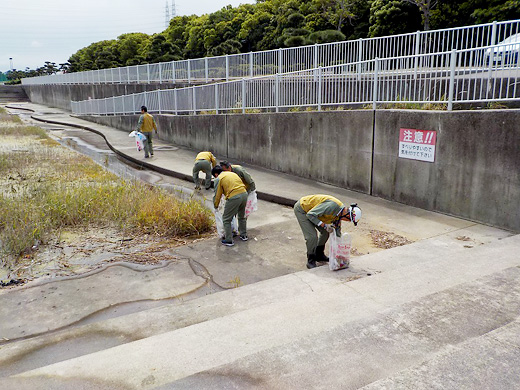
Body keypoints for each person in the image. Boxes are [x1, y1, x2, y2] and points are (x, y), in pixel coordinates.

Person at [294, 194, 361, 269]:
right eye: (348, 220)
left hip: (314, 213)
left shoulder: (340, 214)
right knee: (312, 237)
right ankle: (311, 259)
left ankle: (319, 255)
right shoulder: (332, 207)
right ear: (347, 215)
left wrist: (340, 252)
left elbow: (337, 230)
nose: (347, 221)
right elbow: (310, 215)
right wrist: (325, 226)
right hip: (303, 210)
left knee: (326, 232)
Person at [212, 166, 248, 246]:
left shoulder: (219, 178)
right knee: (241, 216)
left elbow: (217, 194)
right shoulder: (232, 174)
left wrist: (216, 205)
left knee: (226, 219)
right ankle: (243, 235)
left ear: (216, 174)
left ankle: (229, 240)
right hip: (244, 194)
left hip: (234, 196)